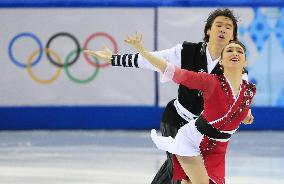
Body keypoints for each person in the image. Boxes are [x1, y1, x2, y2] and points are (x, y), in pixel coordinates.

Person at [85, 8, 253, 184]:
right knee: (181, 171)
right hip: (176, 119)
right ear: (208, 30)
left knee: (182, 169)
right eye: (218, 25)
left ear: (233, 36)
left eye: (228, 27)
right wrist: (114, 59)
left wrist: (246, 113)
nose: (223, 29)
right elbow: (152, 60)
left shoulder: (237, 69)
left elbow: (238, 99)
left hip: (203, 130)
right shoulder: (187, 51)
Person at [125, 32, 256, 184]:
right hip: (193, 141)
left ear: (245, 62)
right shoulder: (210, 81)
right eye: (229, 50)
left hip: (218, 148)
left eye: (239, 51)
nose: (235, 53)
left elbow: (238, 107)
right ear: (221, 61)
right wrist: (143, 51)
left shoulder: (250, 90)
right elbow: (174, 71)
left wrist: (246, 115)